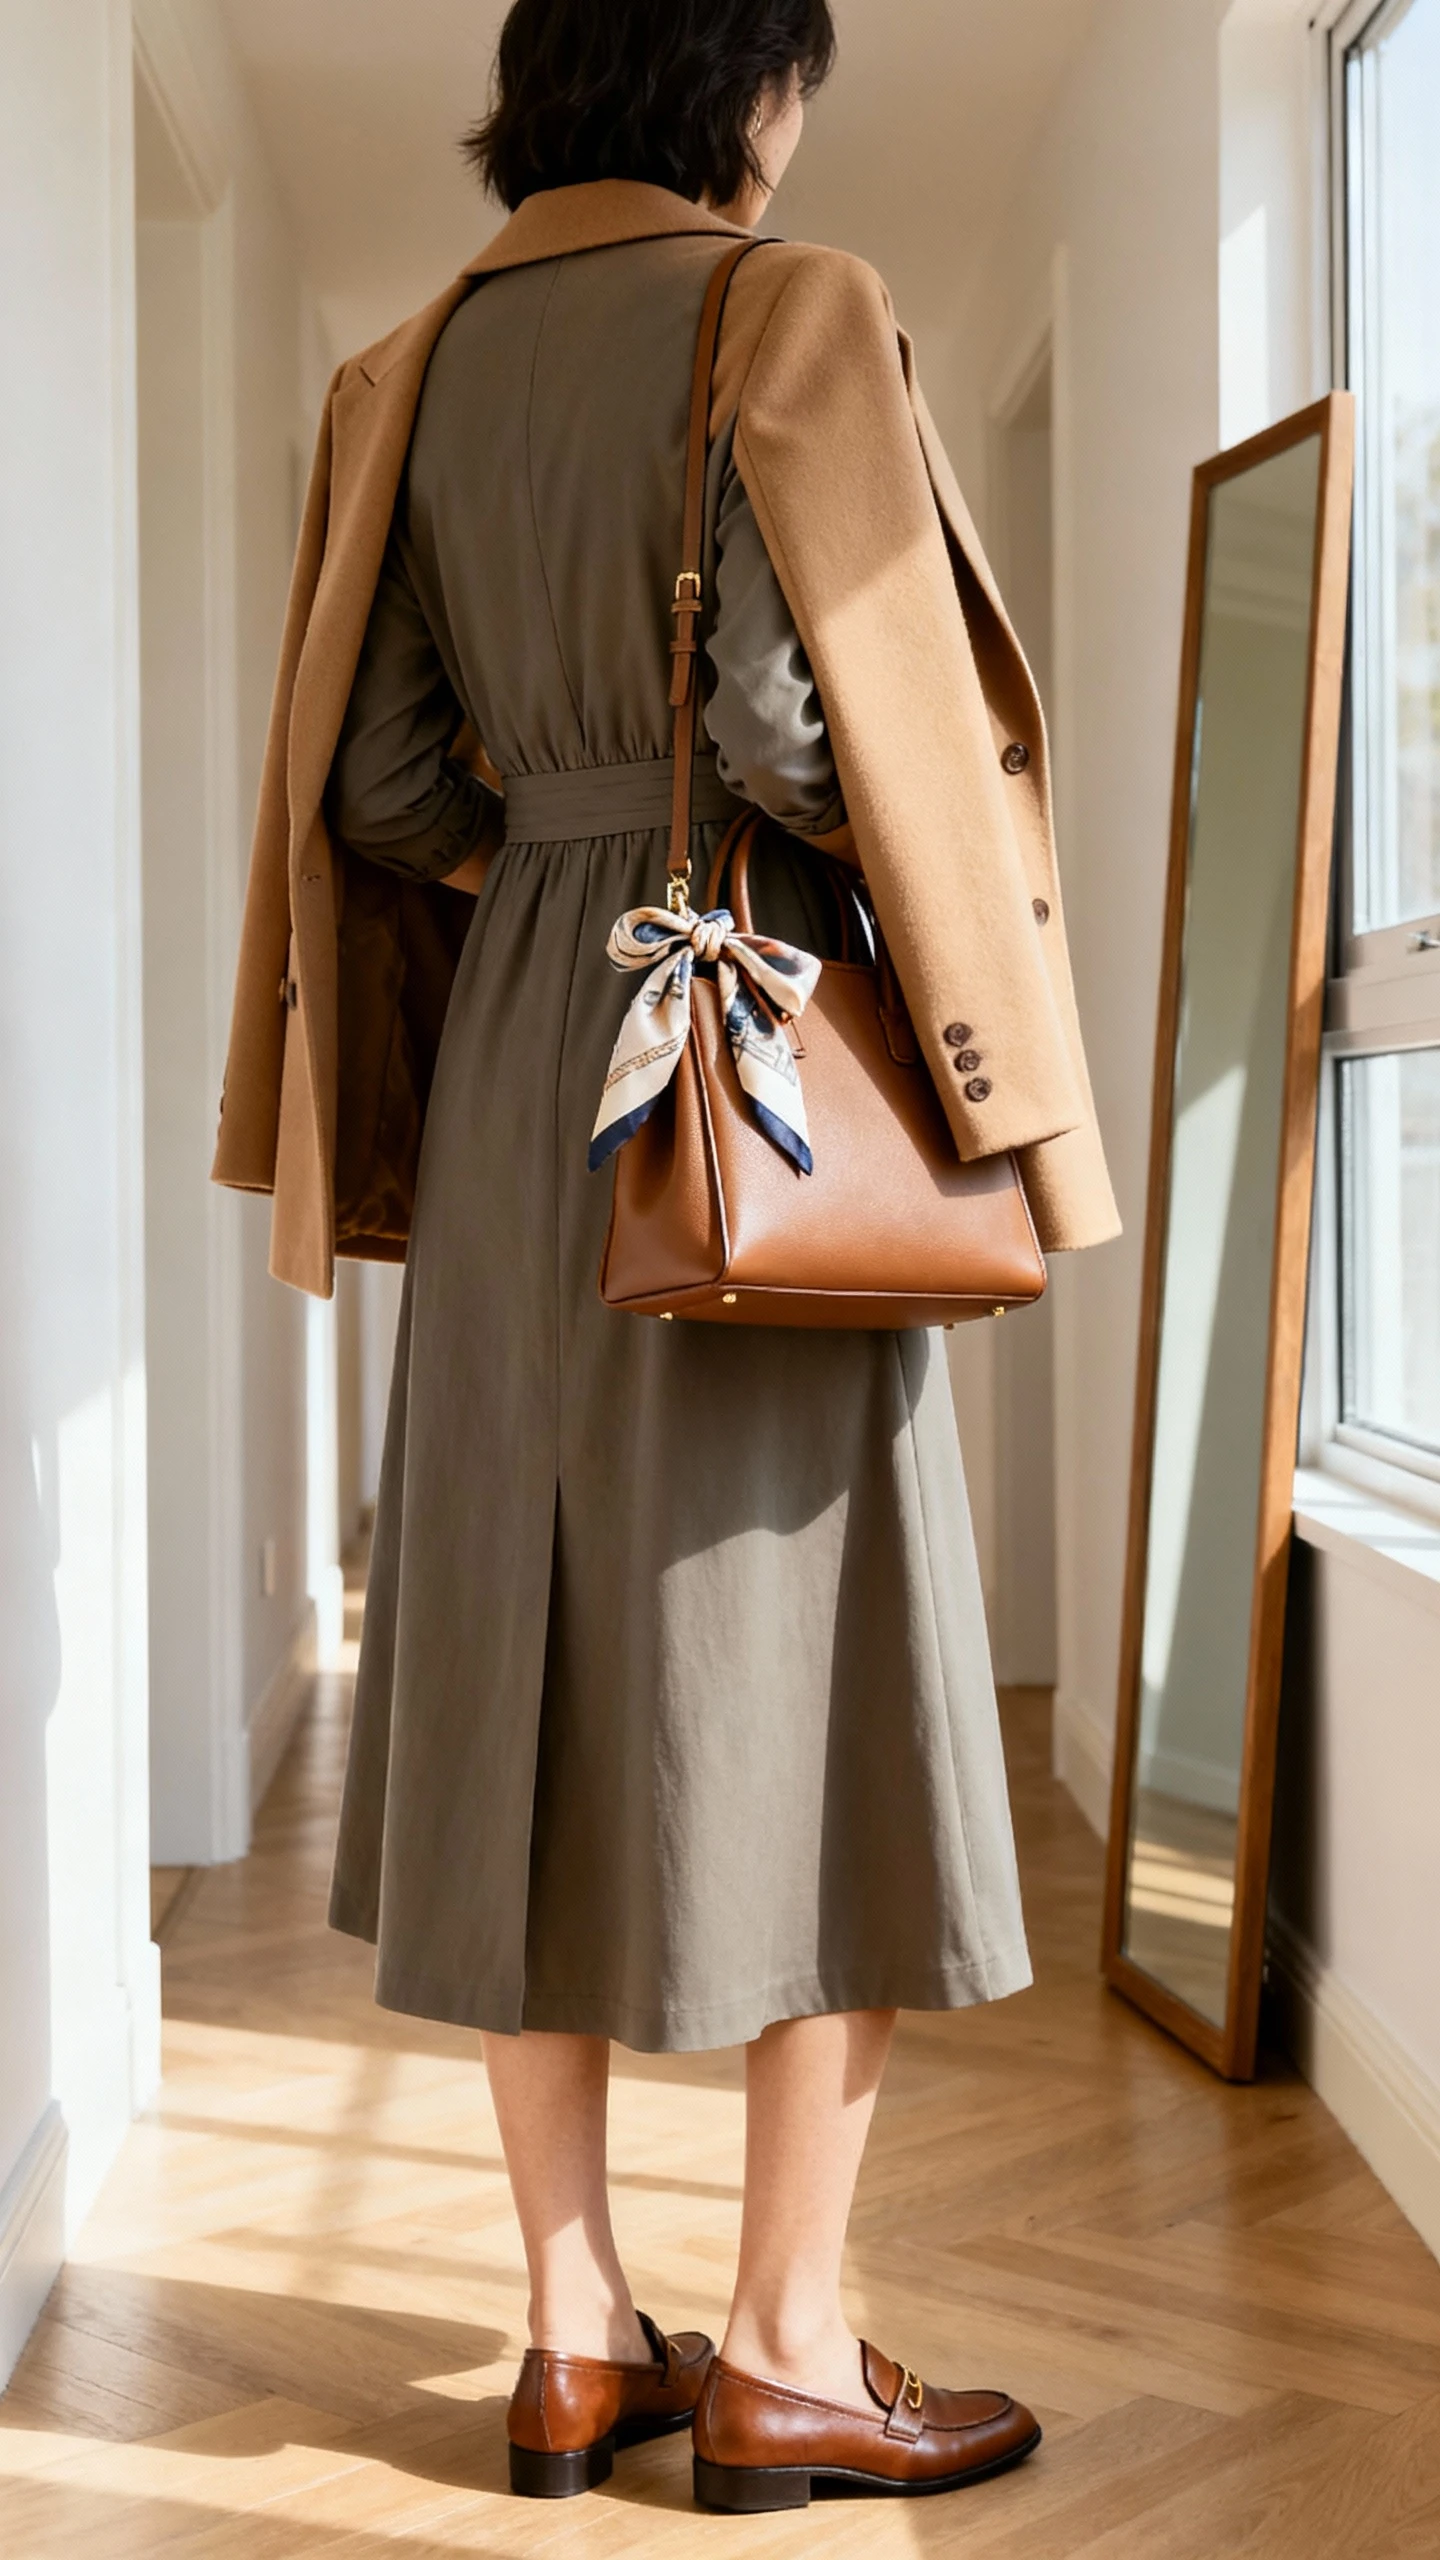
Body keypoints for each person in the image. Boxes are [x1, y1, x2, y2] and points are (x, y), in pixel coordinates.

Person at [214, 0, 1119, 2513]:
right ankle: (790, 2343)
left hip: (532, 1051)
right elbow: (797, 723)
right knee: (826, 1673)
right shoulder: (790, 305)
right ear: (747, 83)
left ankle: (569, 2331)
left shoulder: (400, 372)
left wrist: (561, 853)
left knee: (517, 1656)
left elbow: (382, 776)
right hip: (739, 1061)